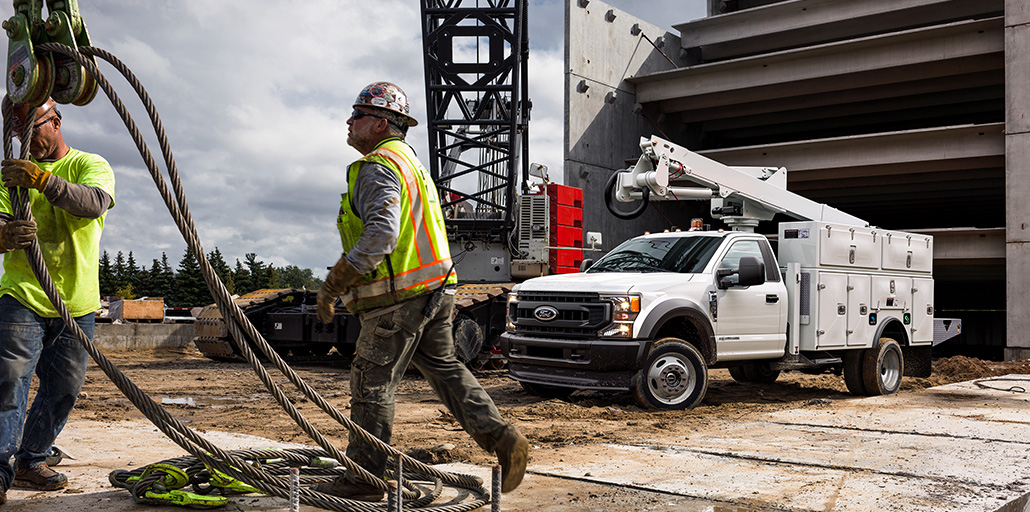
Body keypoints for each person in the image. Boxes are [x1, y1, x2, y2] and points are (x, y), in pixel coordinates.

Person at [315, 82, 528, 501]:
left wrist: (334, 282)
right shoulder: (412, 163)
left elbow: (381, 233)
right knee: (446, 369)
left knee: (371, 382)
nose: (348, 121)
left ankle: (364, 478)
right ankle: (503, 439)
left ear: (379, 123)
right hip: (436, 289)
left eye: (357, 115)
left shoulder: (378, 165)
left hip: (400, 297)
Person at [0, 96, 115, 506]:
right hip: (23, 296)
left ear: (57, 121)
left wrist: (42, 181)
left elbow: (93, 203)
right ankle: (0, 468)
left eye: (35, 129)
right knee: (9, 382)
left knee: (63, 388)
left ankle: (31, 459)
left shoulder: (90, 164)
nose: (28, 140)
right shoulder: (9, 176)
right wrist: (3, 236)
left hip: (76, 303)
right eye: (19, 133)